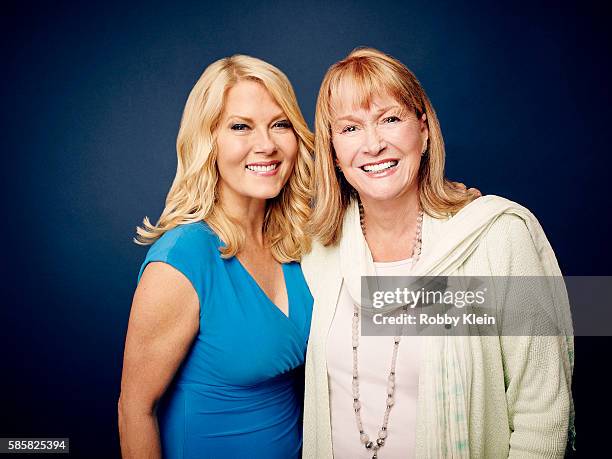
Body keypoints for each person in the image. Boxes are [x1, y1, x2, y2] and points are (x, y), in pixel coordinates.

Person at [302, 47, 575, 458]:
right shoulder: (319, 253)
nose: (373, 144)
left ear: (424, 130)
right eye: (350, 128)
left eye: (390, 119)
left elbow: (542, 415)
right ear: (334, 152)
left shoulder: (495, 238)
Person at [118, 55, 314, 459]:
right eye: (240, 126)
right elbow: (134, 411)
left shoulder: (298, 240)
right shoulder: (180, 261)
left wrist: (455, 220)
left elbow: (392, 306)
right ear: (208, 141)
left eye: (280, 124)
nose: (267, 145)